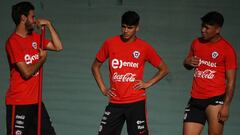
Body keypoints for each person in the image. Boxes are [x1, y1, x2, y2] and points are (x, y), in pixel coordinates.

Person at [91, 11, 169, 135]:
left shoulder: (144, 47)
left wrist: (147, 83)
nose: (126, 31)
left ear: (137, 28)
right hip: (115, 103)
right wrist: (103, 89)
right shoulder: (110, 43)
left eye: (130, 28)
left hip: (136, 103)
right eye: (124, 26)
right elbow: (95, 66)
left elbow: (164, 69)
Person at [5, 1, 63, 135]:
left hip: (36, 103)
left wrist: (48, 24)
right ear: (23, 18)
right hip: (19, 103)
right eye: (33, 17)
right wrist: (42, 59)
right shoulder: (13, 42)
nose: (35, 20)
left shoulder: (35, 38)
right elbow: (26, 73)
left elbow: (58, 46)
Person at [182, 11, 238, 135]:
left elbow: (231, 81)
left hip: (215, 101)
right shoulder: (196, 43)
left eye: (207, 27)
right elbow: (187, 64)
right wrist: (187, 61)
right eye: (202, 26)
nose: (202, 30)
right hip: (195, 99)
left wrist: (226, 106)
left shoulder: (227, 50)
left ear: (217, 29)